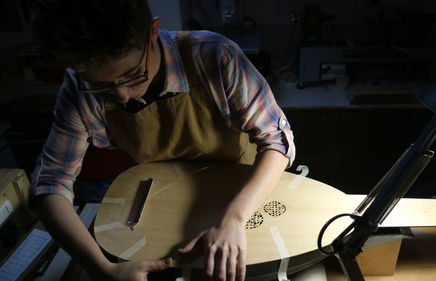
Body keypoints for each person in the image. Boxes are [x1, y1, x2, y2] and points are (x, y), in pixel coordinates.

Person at [28, 0, 295, 281]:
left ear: (153, 32)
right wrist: (104, 269)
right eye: (102, 86)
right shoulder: (79, 89)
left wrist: (235, 218)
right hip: (160, 200)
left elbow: (277, 141)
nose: (122, 96)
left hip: (242, 194)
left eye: (132, 75)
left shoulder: (214, 55)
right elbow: (50, 184)